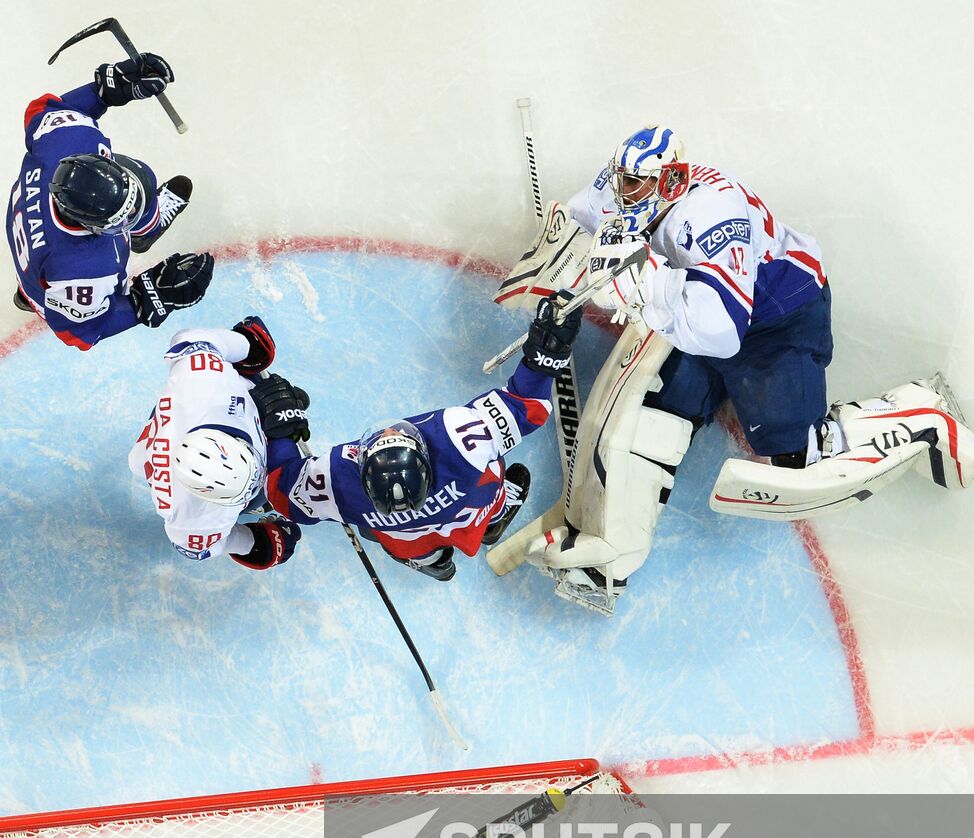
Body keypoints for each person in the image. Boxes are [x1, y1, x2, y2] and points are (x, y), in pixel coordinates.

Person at [511, 125, 974, 613]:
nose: (625, 191)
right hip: (697, 309)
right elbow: (577, 219)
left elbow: (723, 334)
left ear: (669, 183)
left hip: (775, 321)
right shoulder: (630, 184)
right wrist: (557, 278)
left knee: (798, 458)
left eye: (637, 184)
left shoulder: (711, 217)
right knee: (650, 414)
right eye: (622, 180)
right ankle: (608, 558)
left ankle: (919, 414)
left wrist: (646, 287)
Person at [258, 295, 581, 581]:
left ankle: (431, 562)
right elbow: (527, 406)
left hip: (403, 535)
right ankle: (493, 520)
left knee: (394, 537)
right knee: (489, 473)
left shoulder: (337, 482)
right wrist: (546, 356)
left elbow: (281, 492)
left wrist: (280, 427)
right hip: (469, 511)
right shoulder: (461, 440)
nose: (388, 432)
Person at [7, 53, 213, 351]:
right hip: (53, 278)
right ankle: (144, 231)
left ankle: (29, 291)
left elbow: (45, 110)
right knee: (141, 176)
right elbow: (77, 334)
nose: (131, 213)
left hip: (31, 236)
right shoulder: (83, 270)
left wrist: (109, 89)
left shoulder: (65, 144)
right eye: (123, 219)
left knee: (138, 177)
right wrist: (153, 297)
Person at [129, 316, 304, 570]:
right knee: (275, 490)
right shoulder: (192, 519)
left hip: (194, 411)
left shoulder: (205, 383)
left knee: (137, 460)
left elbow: (190, 338)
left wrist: (248, 345)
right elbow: (203, 547)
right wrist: (258, 544)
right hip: (183, 431)